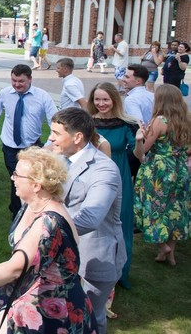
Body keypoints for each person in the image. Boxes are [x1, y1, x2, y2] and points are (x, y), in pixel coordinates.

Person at [0, 147, 98, 334]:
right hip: (27, 297)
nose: (12, 178)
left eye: (17, 175)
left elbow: (15, 268)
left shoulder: (49, 222)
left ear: (36, 185)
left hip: (52, 314)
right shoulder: (31, 205)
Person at [49, 108, 126, 334]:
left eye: (55, 133)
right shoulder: (59, 158)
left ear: (77, 138)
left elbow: (90, 218)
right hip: (64, 254)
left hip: (96, 256)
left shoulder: (105, 169)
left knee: (92, 315)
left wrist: (45, 228)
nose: (50, 137)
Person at [87, 82, 145, 290]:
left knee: (121, 223)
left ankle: (121, 272)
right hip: (92, 177)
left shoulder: (127, 123)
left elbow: (139, 156)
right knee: (95, 223)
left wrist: (139, 141)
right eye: (97, 99)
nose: (101, 103)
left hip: (120, 175)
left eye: (105, 99)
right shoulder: (87, 122)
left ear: (114, 100)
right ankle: (93, 269)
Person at [0, 64, 57, 218]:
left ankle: (30, 209)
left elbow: (54, 120)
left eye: (21, 81)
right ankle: (18, 213)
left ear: (30, 79)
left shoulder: (43, 96)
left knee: (34, 181)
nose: (17, 84)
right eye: (14, 81)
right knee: (18, 179)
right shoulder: (5, 93)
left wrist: (50, 144)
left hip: (33, 147)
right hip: (10, 147)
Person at [133, 84, 191, 268]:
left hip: (159, 170)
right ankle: (169, 255)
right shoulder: (187, 120)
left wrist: (141, 138)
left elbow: (143, 151)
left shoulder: (159, 121)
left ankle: (163, 246)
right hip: (180, 169)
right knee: (174, 210)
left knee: (152, 207)